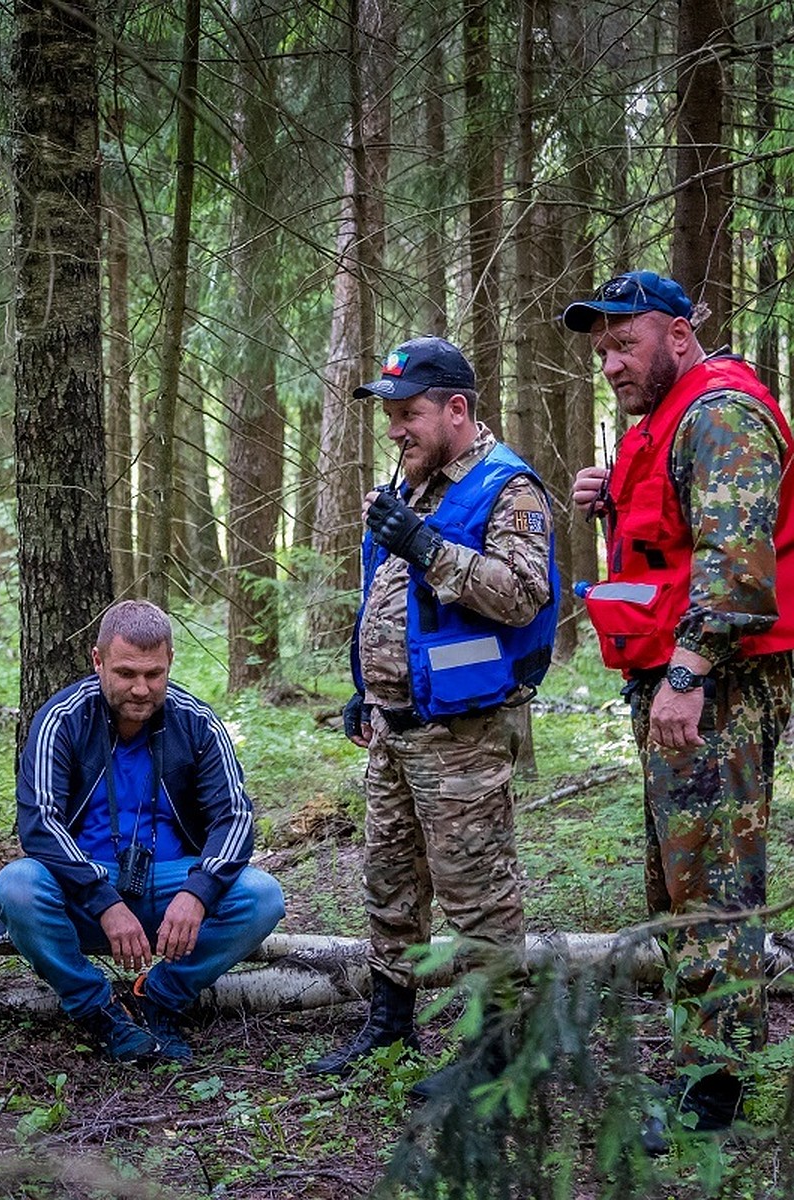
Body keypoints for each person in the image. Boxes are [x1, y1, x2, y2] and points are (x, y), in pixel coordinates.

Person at [564, 271, 794, 1151]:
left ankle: (716, 1098)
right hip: (681, 681)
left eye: (627, 344)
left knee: (715, 887)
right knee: (681, 880)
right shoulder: (666, 424)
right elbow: (675, 544)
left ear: (679, 336)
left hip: (716, 685)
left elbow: (738, 566)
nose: (613, 363)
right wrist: (611, 501)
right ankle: (702, 1062)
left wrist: (688, 673)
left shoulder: (720, 412)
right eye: (603, 351)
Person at [307, 336, 559, 1096]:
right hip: (396, 727)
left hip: (466, 735)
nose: (395, 429)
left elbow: (522, 594)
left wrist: (426, 547)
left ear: (456, 409)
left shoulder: (506, 487)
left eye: (408, 413)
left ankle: (496, 1054)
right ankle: (389, 1027)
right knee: (389, 881)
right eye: (390, 415)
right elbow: (391, 604)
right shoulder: (414, 483)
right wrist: (368, 685)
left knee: (477, 893)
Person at [0, 600, 285, 1064]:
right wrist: (104, 902)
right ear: (98, 661)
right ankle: (98, 1009)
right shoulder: (62, 719)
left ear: (169, 662)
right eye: (126, 672)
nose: (141, 689)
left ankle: (158, 997)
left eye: (154, 674)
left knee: (262, 895)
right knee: (18, 886)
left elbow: (234, 817)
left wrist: (199, 893)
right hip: (85, 888)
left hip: (171, 885)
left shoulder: (197, 721)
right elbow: (40, 824)